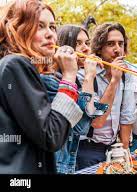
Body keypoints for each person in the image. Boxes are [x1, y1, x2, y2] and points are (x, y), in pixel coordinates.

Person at [0, 0, 83, 174]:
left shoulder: (18, 66)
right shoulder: (15, 64)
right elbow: (52, 135)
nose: (50, 35)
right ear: (17, 29)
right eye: (40, 26)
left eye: (52, 27)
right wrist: (68, 78)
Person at [40, 24, 108, 174]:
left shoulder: (75, 79)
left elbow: (82, 128)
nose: (85, 48)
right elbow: (78, 127)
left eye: (87, 43)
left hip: (67, 163)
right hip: (54, 165)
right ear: (64, 47)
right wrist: (89, 77)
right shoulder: (51, 80)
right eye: (78, 43)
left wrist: (90, 77)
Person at [76, 23, 136, 169]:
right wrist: (114, 81)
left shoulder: (126, 75)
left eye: (121, 44)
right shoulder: (85, 75)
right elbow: (97, 121)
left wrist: (125, 151)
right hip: (86, 150)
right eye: (110, 44)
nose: (117, 49)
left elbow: (126, 116)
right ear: (99, 48)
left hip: (113, 149)